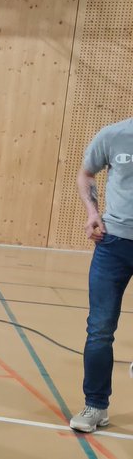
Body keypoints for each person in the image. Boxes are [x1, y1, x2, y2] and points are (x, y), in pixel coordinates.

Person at [70, 116, 133, 433]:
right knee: (99, 329)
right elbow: (86, 173)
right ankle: (95, 406)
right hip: (113, 245)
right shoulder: (113, 135)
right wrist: (92, 213)